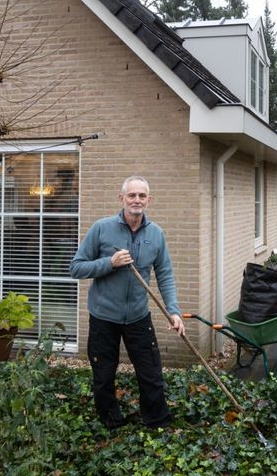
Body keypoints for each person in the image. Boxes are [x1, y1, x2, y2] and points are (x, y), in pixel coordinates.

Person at [69, 175, 185, 430]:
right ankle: (111, 423)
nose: (137, 200)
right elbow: (76, 268)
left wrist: (173, 312)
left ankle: (156, 422)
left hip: (138, 317)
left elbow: (165, 274)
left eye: (142, 196)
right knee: (103, 375)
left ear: (149, 200)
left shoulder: (156, 234)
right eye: (132, 195)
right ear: (121, 198)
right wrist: (109, 263)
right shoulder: (102, 228)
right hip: (103, 318)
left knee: (151, 373)